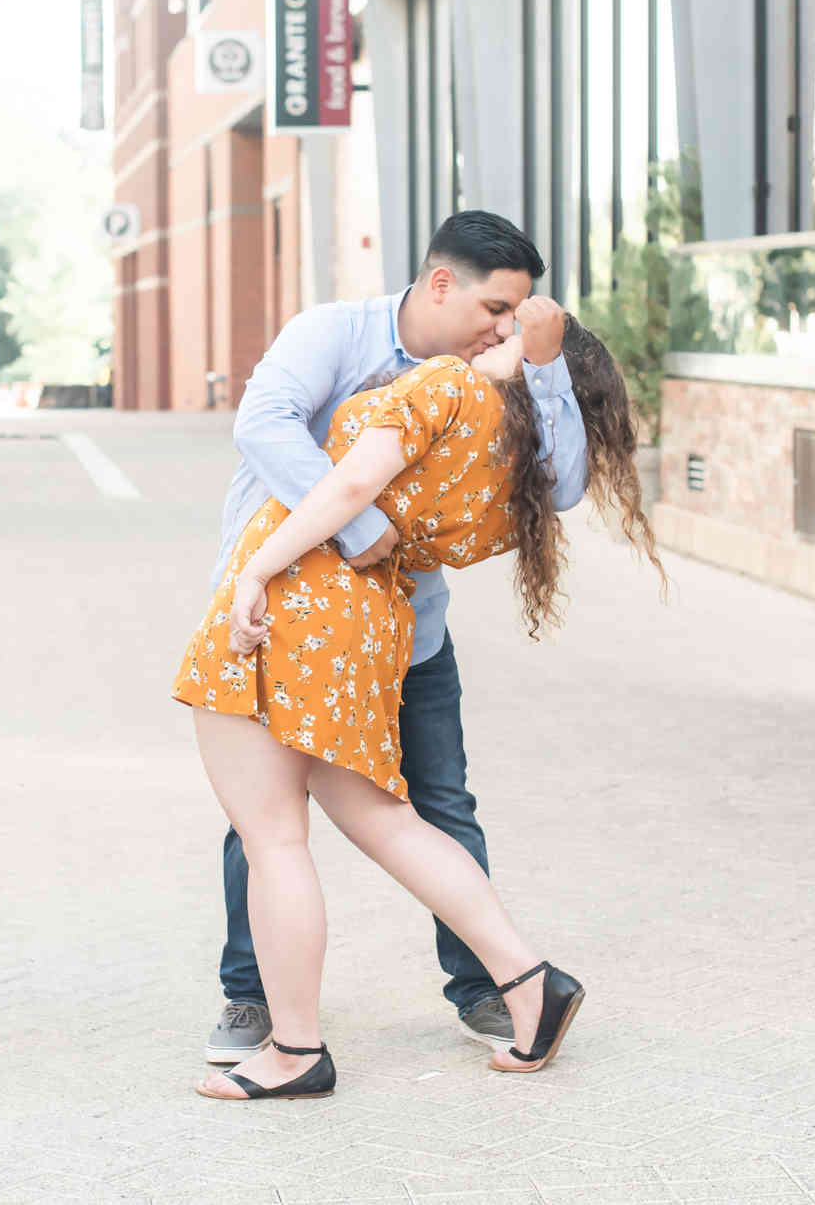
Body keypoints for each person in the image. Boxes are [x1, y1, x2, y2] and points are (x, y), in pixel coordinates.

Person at [172, 312, 665, 1100]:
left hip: (301, 599)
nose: (492, 339)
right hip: (373, 623)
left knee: (273, 839)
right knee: (390, 823)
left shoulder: (447, 385)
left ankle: (295, 1051)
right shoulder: (517, 471)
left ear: (536, 365)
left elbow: (349, 486)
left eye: (510, 337)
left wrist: (257, 571)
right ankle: (529, 982)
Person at [199, 211, 591, 1066]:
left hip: (391, 632)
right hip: (305, 623)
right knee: (279, 819)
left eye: (518, 316)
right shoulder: (338, 335)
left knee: (409, 809)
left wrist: (547, 363)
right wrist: (360, 524)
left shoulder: (470, 384)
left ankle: (484, 986)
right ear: (441, 283)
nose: (506, 329)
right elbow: (264, 425)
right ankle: (255, 992)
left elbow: (560, 486)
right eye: (497, 309)